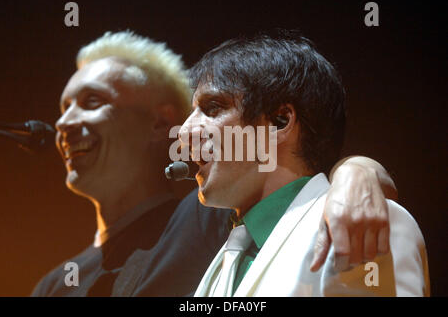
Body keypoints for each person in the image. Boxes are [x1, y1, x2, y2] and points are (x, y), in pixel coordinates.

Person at [32, 31, 401, 297]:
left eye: (92, 100)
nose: (63, 123)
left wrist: (358, 172)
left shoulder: (201, 219)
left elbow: (295, 169)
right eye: (63, 108)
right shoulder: (54, 284)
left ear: (160, 122)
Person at [178, 33, 430, 296]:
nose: (184, 132)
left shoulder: (362, 221)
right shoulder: (229, 256)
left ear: (279, 122)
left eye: (213, 108)